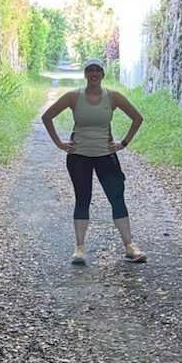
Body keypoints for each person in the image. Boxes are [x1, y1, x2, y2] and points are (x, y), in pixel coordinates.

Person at [41, 58, 146, 265]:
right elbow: (47, 116)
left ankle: (130, 246)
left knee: (117, 198)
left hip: (105, 155)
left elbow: (137, 118)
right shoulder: (74, 96)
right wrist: (59, 143)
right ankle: (79, 248)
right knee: (82, 199)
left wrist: (123, 143)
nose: (94, 74)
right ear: (85, 74)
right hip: (79, 156)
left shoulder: (113, 97)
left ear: (103, 75)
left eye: (98, 70)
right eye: (90, 70)